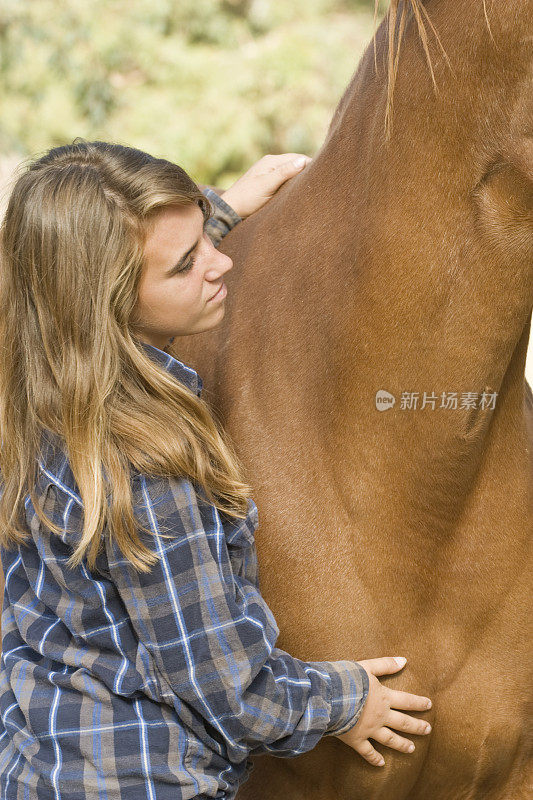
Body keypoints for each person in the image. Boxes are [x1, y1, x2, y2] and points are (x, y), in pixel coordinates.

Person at [0, 140, 432, 800]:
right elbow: (230, 689)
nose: (220, 261)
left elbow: (93, 274)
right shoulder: (146, 468)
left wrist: (220, 208)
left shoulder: (31, 389)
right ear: (107, 303)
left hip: (43, 758)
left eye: (206, 235)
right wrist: (344, 700)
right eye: (187, 264)